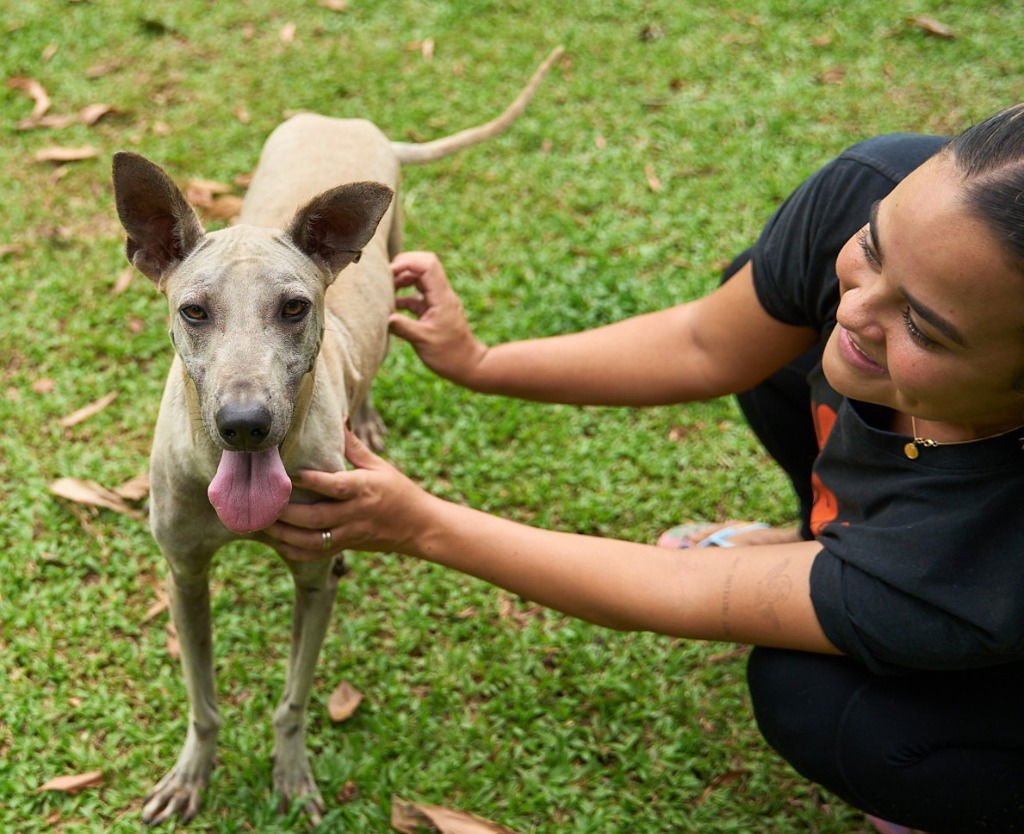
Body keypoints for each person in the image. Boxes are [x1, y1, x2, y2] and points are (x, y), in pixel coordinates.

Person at [266, 105, 1024, 834]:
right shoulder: (884, 189)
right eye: (875, 248)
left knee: (822, 707)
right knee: (780, 314)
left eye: (922, 324)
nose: (860, 306)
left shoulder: (980, 564)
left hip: (977, 632)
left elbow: (689, 592)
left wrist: (419, 525)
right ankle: (818, 540)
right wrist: (481, 363)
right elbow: (705, 342)